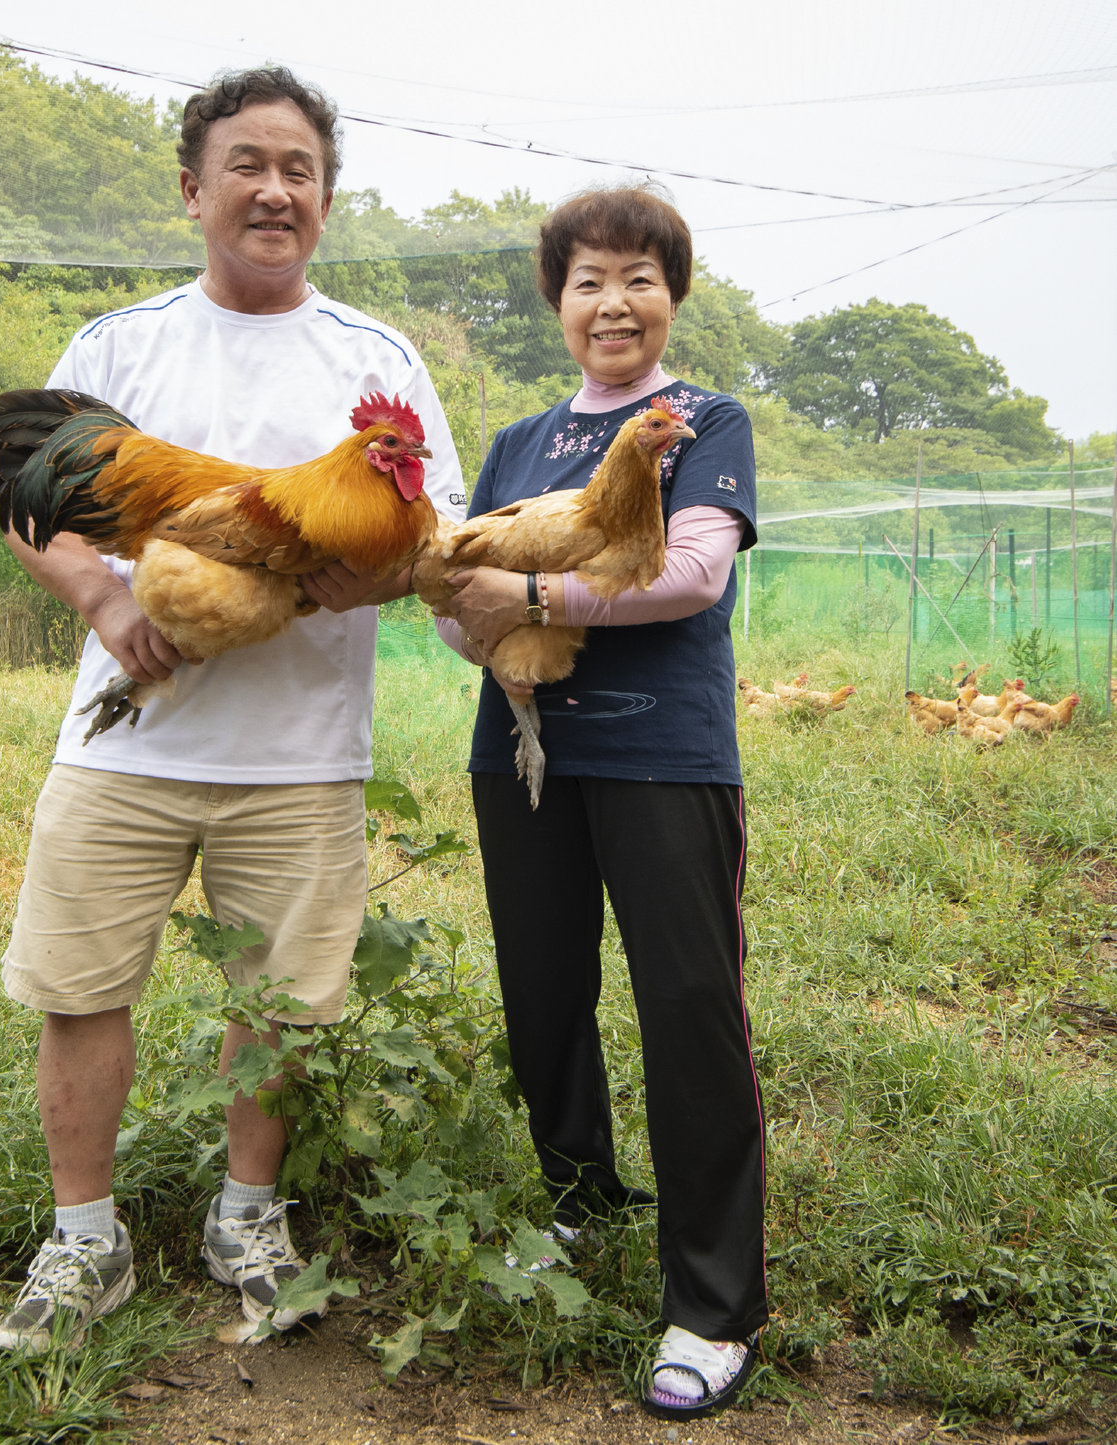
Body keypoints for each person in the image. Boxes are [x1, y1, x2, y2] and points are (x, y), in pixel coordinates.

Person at [0, 66, 464, 1354]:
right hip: (127, 733)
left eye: (298, 169)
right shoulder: (117, 343)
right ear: (194, 188)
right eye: (246, 164)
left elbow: (426, 537)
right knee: (80, 984)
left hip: (300, 751)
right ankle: (84, 1237)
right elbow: (38, 511)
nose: (273, 189)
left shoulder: (378, 359)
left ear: (325, 199)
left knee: (282, 1002)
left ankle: (246, 1211)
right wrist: (100, 600)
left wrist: (348, 574)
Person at [440, 186, 767, 1419]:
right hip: (521, 753)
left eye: (637, 275)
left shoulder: (700, 418)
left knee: (687, 1008)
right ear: (556, 303)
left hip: (662, 755)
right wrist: (464, 616)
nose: (611, 300)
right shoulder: (520, 441)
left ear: (669, 295)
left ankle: (712, 1302)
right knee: (543, 994)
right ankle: (577, 1204)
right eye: (586, 278)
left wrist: (528, 606)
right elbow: (462, 577)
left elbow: (686, 576)